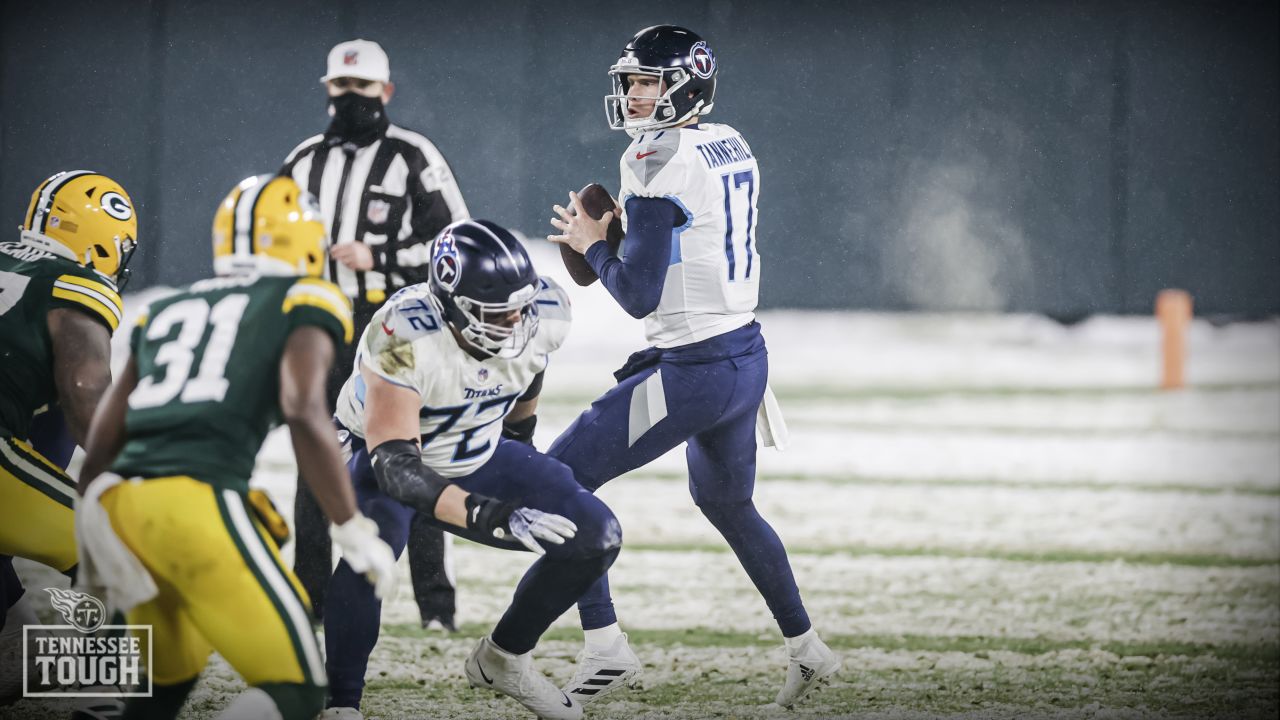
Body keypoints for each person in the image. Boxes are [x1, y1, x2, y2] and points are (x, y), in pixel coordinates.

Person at [547, 25, 840, 709]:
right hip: (745, 357)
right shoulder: (726, 139)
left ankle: (604, 646)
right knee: (726, 502)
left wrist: (594, 247)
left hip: (694, 371)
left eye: (647, 82)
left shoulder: (657, 159)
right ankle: (808, 649)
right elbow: (682, 245)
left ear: (685, 84)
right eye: (631, 82)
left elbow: (636, 294)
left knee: (560, 481)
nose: (633, 95)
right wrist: (629, 233)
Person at [319, 219, 617, 720]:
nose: (515, 323)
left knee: (596, 534)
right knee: (368, 559)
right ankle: (341, 703)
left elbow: (529, 373)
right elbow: (397, 465)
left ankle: (503, 658)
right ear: (451, 306)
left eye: (521, 309)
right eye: (496, 314)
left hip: (476, 451)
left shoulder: (542, 312)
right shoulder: (405, 333)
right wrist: (490, 513)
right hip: (390, 463)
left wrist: (521, 445)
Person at [280, 38, 470, 629]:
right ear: (327, 90)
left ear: (385, 92)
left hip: (395, 330)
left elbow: (455, 246)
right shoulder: (303, 159)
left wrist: (380, 255)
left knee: (414, 458)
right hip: (319, 328)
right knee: (316, 458)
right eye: (341, 86)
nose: (351, 97)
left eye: (363, 88)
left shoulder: (414, 155)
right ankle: (308, 598)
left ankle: (434, 605)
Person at [0, 170, 137, 705]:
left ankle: (14, 637)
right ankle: (104, 699)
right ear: (102, 237)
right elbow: (84, 387)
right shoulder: (73, 282)